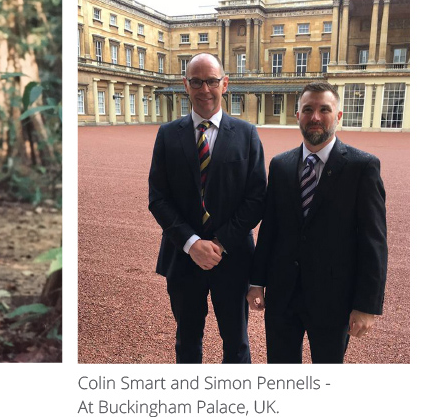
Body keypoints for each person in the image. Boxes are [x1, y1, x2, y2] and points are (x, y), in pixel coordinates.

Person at [247, 82, 387, 363]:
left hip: (334, 299)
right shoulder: (281, 165)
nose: (315, 117)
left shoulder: (362, 167)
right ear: (297, 115)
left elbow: (373, 240)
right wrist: (257, 282)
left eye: (324, 109)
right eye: (308, 109)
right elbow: (270, 228)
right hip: (283, 295)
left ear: (338, 116)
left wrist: (366, 305)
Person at [148, 53, 266, 363]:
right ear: (185, 85)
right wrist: (191, 244)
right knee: (187, 341)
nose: (205, 90)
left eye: (212, 81)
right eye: (197, 82)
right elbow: (158, 198)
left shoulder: (246, 134)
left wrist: (219, 243)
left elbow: (256, 198)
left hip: (233, 258)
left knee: (237, 343)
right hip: (183, 257)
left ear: (224, 84)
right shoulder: (167, 134)